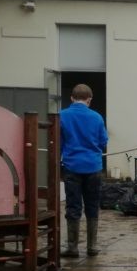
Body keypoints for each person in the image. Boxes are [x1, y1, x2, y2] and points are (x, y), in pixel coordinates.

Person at [59, 83, 108, 257]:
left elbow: (59, 143)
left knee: (73, 206)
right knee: (92, 205)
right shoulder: (97, 117)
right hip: (93, 167)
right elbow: (103, 142)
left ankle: (72, 247)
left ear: (72, 98)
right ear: (89, 100)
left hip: (72, 167)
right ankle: (92, 246)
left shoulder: (62, 116)